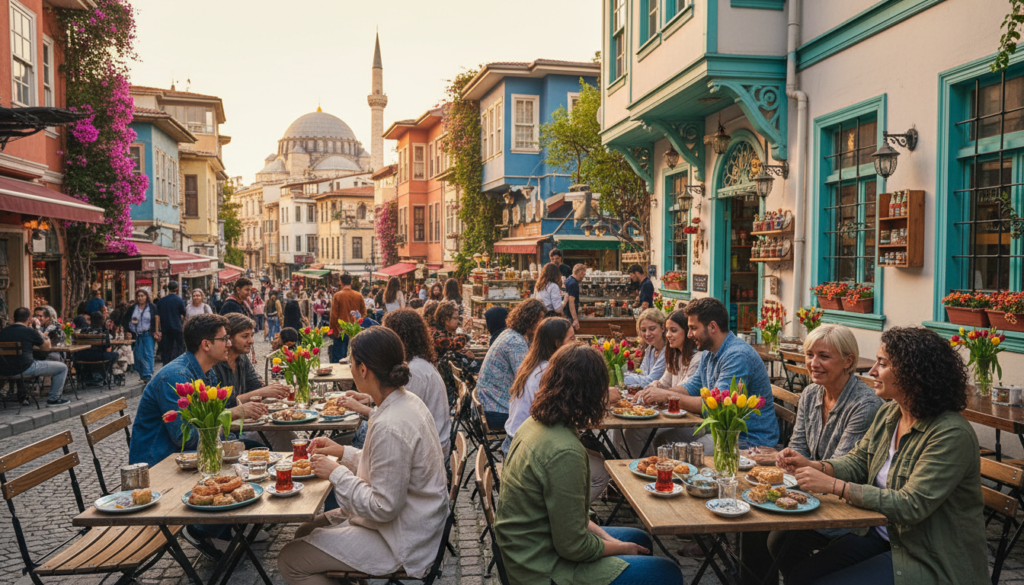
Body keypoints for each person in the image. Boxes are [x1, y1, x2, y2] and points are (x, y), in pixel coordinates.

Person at [773, 327, 987, 585]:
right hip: (881, 535)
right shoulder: (891, 414)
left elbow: (911, 505)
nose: (872, 371)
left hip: (926, 554)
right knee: (798, 574)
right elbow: (858, 460)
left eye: (882, 363)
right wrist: (817, 466)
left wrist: (835, 486)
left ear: (912, 373)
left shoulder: (950, 434)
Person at [495, 343, 682, 585]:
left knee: (639, 538)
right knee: (667, 571)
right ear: (592, 393)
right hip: (541, 567)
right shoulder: (565, 451)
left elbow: (573, 518)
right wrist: (619, 548)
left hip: (528, 547)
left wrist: (614, 542)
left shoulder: (535, 423)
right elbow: (574, 546)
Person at [278, 327, 449, 584]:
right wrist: (341, 452)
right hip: (411, 521)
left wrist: (337, 473)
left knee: (289, 559)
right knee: (306, 529)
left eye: (351, 362)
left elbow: (383, 507)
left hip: (402, 538)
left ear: (363, 369)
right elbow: (389, 466)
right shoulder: (404, 400)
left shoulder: (392, 423)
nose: (350, 368)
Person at [676, 297, 777, 446]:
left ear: (712, 327)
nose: (689, 334)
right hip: (720, 431)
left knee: (685, 450)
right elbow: (692, 386)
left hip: (748, 439)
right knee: (662, 439)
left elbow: (717, 405)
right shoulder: (709, 351)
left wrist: (668, 397)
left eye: (693, 328)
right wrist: (658, 392)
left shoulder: (737, 355)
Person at [368, 308, 452, 457]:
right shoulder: (417, 364)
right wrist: (367, 399)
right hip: (428, 443)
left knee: (361, 438)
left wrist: (362, 408)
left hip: (429, 452)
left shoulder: (415, 372)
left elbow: (398, 416)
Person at [212, 314, 294, 450]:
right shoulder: (214, 364)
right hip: (229, 433)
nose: (251, 341)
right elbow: (223, 406)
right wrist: (262, 391)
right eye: (245, 336)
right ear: (229, 338)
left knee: (284, 430)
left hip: (245, 424)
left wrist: (273, 390)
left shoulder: (242, 359)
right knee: (280, 434)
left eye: (251, 335)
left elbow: (255, 385)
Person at [476, 299, 547, 431]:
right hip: (496, 411)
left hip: (488, 405)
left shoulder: (511, 334)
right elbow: (525, 380)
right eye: (540, 319)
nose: (542, 324)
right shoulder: (515, 342)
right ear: (530, 320)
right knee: (545, 418)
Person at [504, 317, 574, 444]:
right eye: (572, 339)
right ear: (557, 343)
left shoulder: (533, 364)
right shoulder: (547, 372)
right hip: (524, 445)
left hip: (514, 438)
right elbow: (563, 411)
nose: (576, 343)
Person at [0, 307, 69, 406]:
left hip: (4, 370)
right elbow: (46, 348)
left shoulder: (3, 332)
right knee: (62, 368)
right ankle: (53, 399)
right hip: (25, 368)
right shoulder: (30, 331)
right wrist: (37, 329)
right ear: (29, 319)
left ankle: (24, 395)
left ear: (13, 318)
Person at [429, 301, 479, 404]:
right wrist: (466, 335)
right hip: (441, 378)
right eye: (455, 318)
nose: (458, 322)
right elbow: (453, 344)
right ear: (446, 320)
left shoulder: (444, 331)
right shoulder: (436, 333)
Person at [623, 308, 668, 388]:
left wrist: (622, 377)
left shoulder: (667, 351)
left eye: (652, 329)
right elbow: (642, 374)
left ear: (662, 328)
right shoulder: (650, 349)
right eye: (643, 330)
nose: (647, 334)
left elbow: (650, 381)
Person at [122, 289, 158, 382]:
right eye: (138, 296)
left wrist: (156, 331)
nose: (140, 298)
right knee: (138, 355)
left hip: (147, 333)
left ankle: (148, 375)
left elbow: (156, 318)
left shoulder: (152, 307)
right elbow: (125, 319)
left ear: (146, 297)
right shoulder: (133, 307)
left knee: (148, 354)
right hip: (136, 334)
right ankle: (143, 374)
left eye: (142, 296)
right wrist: (127, 331)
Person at [328, 274, 366, 363]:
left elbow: (334, 315)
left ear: (341, 282)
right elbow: (364, 314)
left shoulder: (337, 296)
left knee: (338, 359)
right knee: (354, 359)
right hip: (355, 331)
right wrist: (356, 323)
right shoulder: (359, 295)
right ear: (351, 282)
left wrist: (332, 330)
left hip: (341, 330)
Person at [77, 311, 118, 385]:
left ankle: (91, 375)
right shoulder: (103, 331)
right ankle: (103, 374)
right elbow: (107, 346)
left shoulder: (84, 330)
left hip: (84, 356)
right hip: (99, 356)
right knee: (115, 355)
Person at [156, 280, 186, 364]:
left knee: (166, 350)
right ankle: (178, 364)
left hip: (165, 328)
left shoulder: (161, 301)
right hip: (177, 327)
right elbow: (183, 313)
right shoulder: (179, 300)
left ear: (168, 289)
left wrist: (157, 329)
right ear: (177, 289)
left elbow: (157, 316)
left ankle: (166, 365)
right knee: (179, 349)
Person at [563, 263, 585, 330]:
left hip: (566, 315)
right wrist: (575, 319)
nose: (584, 275)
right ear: (580, 272)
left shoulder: (568, 279)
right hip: (570, 317)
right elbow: (571, 301)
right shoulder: (574, 283)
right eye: (584, 273)